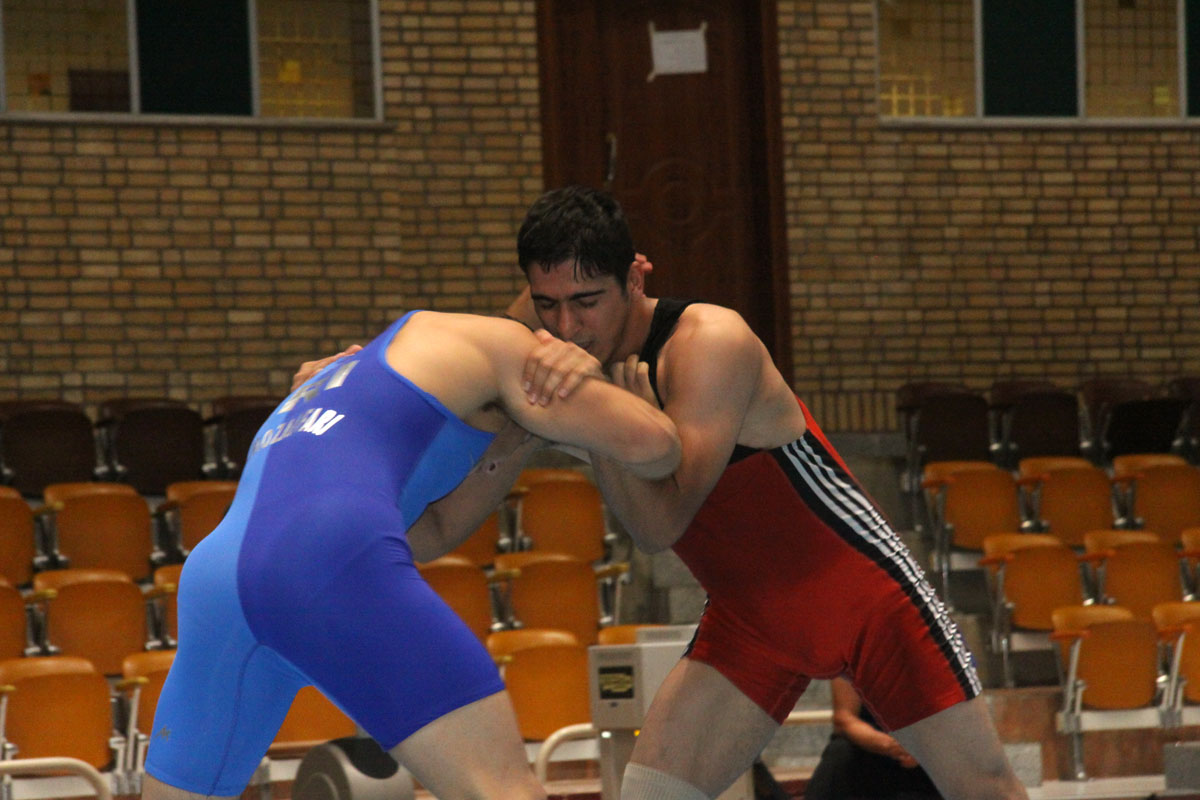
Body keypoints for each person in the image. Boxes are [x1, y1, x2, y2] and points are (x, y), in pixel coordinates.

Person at [296, 186, 1030, 800]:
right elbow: (441, 355)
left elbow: (659, 527)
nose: (565, 327)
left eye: (586, 302)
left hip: (864, 596)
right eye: (547, 305)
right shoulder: (548, 326)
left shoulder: (709, 343)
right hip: (750, 621)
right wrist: (350, 372)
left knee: (985, 790)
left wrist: (601, 418)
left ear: (635, 278)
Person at [142, 309, 681, 800]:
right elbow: (657, 447)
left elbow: (432, 532)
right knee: (500, 789)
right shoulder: (509, 347)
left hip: (214, 576)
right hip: (328, 557)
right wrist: (621, 394)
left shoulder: (342, 374)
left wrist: (515, 444)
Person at [804, 677, 943, 799]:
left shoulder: (937, 659)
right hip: (870, 747)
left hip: (926, 751)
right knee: (839, 753)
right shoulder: (849, 657)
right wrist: (890, 746)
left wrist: (922, 747)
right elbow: (844, 719)